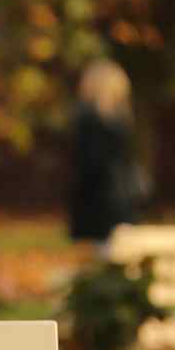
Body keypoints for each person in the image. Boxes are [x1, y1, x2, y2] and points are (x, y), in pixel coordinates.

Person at [67, 58, 144, 251]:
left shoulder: (87, 121)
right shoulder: (123, 122)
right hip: (122, 202)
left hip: (96, 203)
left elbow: (88, 166)